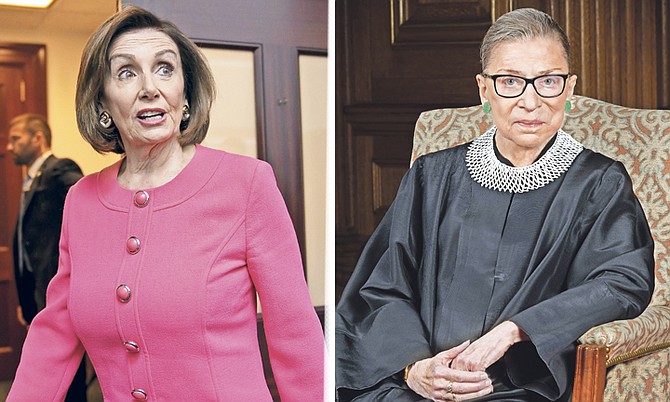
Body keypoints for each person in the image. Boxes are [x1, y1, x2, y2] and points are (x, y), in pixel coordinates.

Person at [336, 8, 655, 402]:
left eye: (548, 82)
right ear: (484, 90)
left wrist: (515, 330)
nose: (530, 101)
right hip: (419, 384)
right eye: (510, 82)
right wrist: (414, 367)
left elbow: (622, 282)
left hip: (522, 385)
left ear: (569, 88)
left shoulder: (599, 183)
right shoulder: (432, 176)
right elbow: (383, 287)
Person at [7, 5, 324, 402]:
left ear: (185, 92)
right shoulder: (81, 201)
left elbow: (295, 334)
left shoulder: (247, 183)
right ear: (102, 103)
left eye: (164, 68)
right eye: (126, 72)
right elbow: (55, 335)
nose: (149, 87)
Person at [6, 113, 87, 401]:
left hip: (58, 290)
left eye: (16, 139)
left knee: (68, 376)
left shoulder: (57, 170)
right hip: (37, 290)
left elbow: (84, 199)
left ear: (38, 138)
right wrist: (27, 299)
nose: (9, 146)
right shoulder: (31, 178)